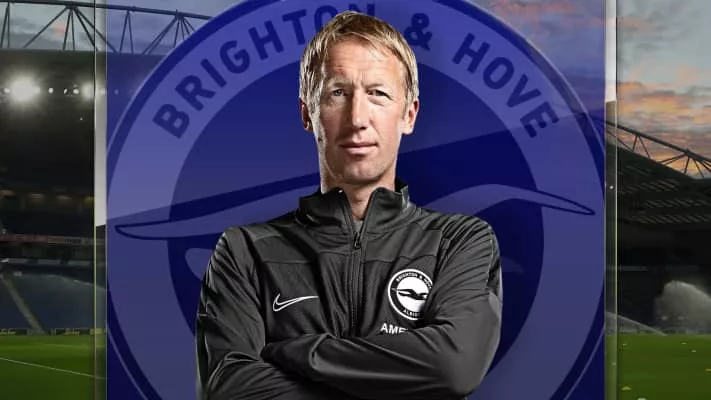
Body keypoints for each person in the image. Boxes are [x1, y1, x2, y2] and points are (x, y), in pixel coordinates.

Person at [196, 10, 502, 400]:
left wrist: (295, 353)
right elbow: (229, 388)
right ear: (308, 113)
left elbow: (452, 367)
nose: (357, 118)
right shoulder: (245, 252)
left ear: (409, 115)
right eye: (337, 93)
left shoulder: (458, 242)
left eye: (378, 94)